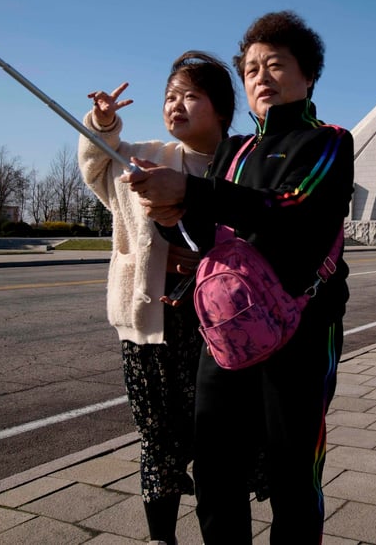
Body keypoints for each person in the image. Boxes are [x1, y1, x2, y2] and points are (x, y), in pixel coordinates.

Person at [124, 11, 354, 544]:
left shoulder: (328, 141)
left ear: (308, 75)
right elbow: (205, 241)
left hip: (301, 328)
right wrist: (170, 220)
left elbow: (290, 206)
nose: (262, 77)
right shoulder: (233, 150)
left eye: (276, 65)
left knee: (292, 474)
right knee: (216, 469)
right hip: (227, 335)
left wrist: (189, 192)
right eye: (251, 69)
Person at [77, 51, 235, 545]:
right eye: (171, 96)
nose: (176, 105)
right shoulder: (147, 157)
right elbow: (98, 165)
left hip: (224, 326)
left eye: (191, 95)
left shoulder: (244, 164)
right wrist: (103, 122)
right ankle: (160, 539)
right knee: (158, 440)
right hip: (154, 322)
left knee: (222, 442)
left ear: (222, 109)